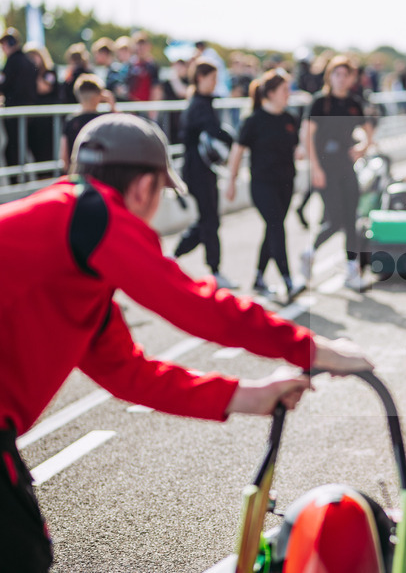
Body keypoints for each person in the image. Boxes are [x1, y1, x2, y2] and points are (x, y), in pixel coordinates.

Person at [0, 112, 374, 572]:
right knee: (22, 554)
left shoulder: (64, 244)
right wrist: (312, 348)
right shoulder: (92, 214)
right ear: (143, 187)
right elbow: (196, 305)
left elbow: (129, 374)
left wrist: (247, 396)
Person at [226, 69, 305, 304]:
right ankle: (288, 281)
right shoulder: (253, 120)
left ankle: (259, 277)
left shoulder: (289, 119)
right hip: (262, 184)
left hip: (286, 182)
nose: (288, 95)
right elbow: (237, 151)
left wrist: (300, 151)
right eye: (284, 90)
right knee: (277, 226)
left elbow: (295, 147)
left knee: (272, 228)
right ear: (270, 93)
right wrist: (231, 181)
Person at [299, 55, 375, 292]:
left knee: (351, 219)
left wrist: (363, 147)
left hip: (346, 166)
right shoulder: (320, 102)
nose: (341, 79)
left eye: (345, 75)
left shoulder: (354, 103)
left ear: (352, 78)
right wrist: (315, 169)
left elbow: (368, 128)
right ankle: (309, 252)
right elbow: (307, 136)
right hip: (324, 167)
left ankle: (352, 271)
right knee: (335, 219)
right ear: (329, 76)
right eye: (337, 74)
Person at [173, 59, 237, 289]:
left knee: (208, 220)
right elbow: (214, 130)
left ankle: (175, 257)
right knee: (210, 220)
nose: (215, 83)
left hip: (203, 170)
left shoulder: (203, 102)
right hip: (197, 170)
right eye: (212, 78)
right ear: (200, 78)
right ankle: (214, 271)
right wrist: (234, 139)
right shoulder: (199, 105)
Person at [60, 74, 116, 173]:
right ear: (100, 95)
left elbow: (64, 157)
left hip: (76, 174)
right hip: (100, 175)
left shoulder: (71, 121)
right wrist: (112, 106)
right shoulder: (104, 119)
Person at [0, 28, 38, 168]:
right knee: (22, 145)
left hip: (15, 111)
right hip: (29, 111)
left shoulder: (12, 61)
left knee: (13, 147)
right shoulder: (28, 61)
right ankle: (22, 177)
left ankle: (17, 179)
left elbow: (3, 84)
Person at [23, 43, 60, 164]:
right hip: (34, 121)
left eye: (35, 56)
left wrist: (33, 73)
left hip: (47, 121)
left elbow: (44, 88)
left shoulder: (50, 72)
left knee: (47, 152)